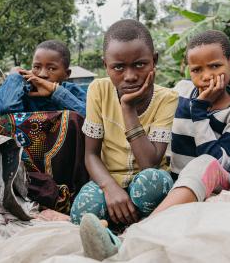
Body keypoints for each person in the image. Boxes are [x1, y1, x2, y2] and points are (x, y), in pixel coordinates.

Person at [78, 29, 230, 260]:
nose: (207, 76)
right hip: (175, 182)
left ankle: (128, 238)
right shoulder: (181, 92)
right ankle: (122, 231)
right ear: (188, 70)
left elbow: (216, 159)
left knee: (204, 163)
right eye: (197, 70)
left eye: (215, 66)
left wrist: (200, 111)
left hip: (214, 180)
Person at [70, 19, 178, 226]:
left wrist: (127, 108)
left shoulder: (167, 98)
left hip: (146, 184)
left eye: (140, 64)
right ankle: (121, 224)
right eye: (118, 67)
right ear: (106, 66)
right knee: (83, 214)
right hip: (109, 181)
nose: (130, 76)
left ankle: (130, 223)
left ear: (154, 60)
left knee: (154, 184)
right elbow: (91, 155)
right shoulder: (98, 90)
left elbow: (150, 163)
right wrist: (110, 188)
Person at [0, 40, 86, 117]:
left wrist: (55, 90)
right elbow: (5, 111)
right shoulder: (23, 92)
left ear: (67, 74)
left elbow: (91, 118)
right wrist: (15, 77)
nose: (42, 74)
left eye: (51, 68)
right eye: (37, 67)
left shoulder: (72, 91)